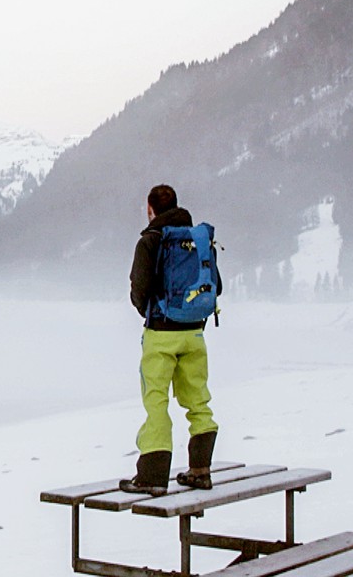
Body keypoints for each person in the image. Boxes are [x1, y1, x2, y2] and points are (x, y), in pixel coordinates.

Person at [119, 184, 221, 497]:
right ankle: (201, 470)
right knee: (198, 400)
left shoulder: (151, 239)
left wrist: (149, 311)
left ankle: (152, 476)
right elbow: (216, 284)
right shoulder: (198, 240)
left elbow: (140, 286)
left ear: (150, 209)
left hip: (161, 333)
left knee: (156, 401)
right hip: (194, 332)